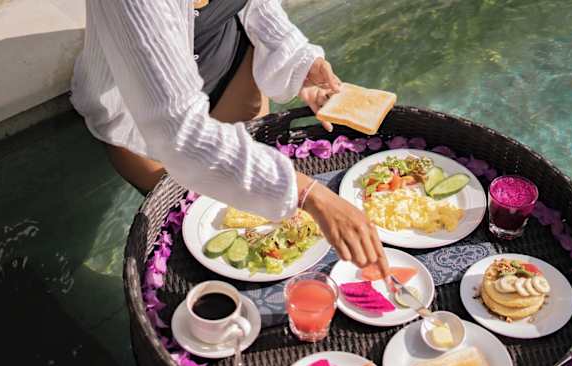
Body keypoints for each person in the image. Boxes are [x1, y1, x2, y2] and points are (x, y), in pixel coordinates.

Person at [70, 0, 390, 276]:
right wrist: (309, 194)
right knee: (190, 227)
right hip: (143, 122)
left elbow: (259, 7)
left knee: (258, 230)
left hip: (232, 74)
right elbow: (180, 135)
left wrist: (299, 62)